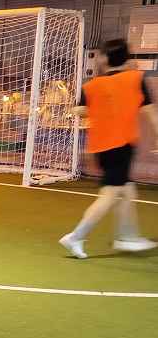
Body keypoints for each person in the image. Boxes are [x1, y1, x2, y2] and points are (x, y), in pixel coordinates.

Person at [59, 39, 158, 259]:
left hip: (101, 147)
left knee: (127, 190)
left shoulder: (92, 85)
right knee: (110, 195)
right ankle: (76, 236)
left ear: (104, 58)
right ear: (127, 58)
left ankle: (127, 237)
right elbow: (151, 112)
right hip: (120, 145)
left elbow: (80, 111)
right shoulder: (136, 79)